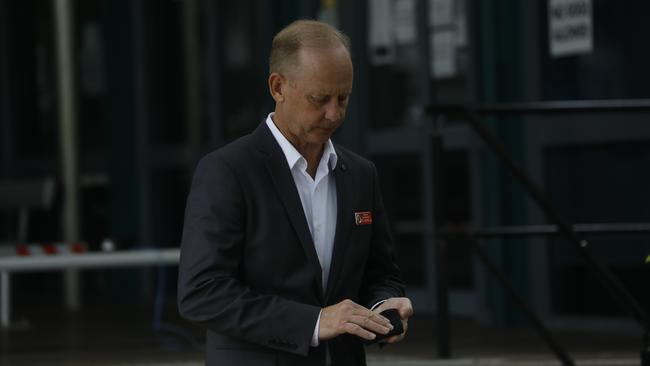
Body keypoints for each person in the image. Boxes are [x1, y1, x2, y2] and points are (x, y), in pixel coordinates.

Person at [177, 19, 413, 366]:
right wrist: (315, 322)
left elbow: (381, 273)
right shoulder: (227, 170)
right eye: (320, 99)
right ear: (278, 87)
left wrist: (384, 304)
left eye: (343, 98)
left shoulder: (361, 174)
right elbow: (202, 293)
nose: (334, 113)